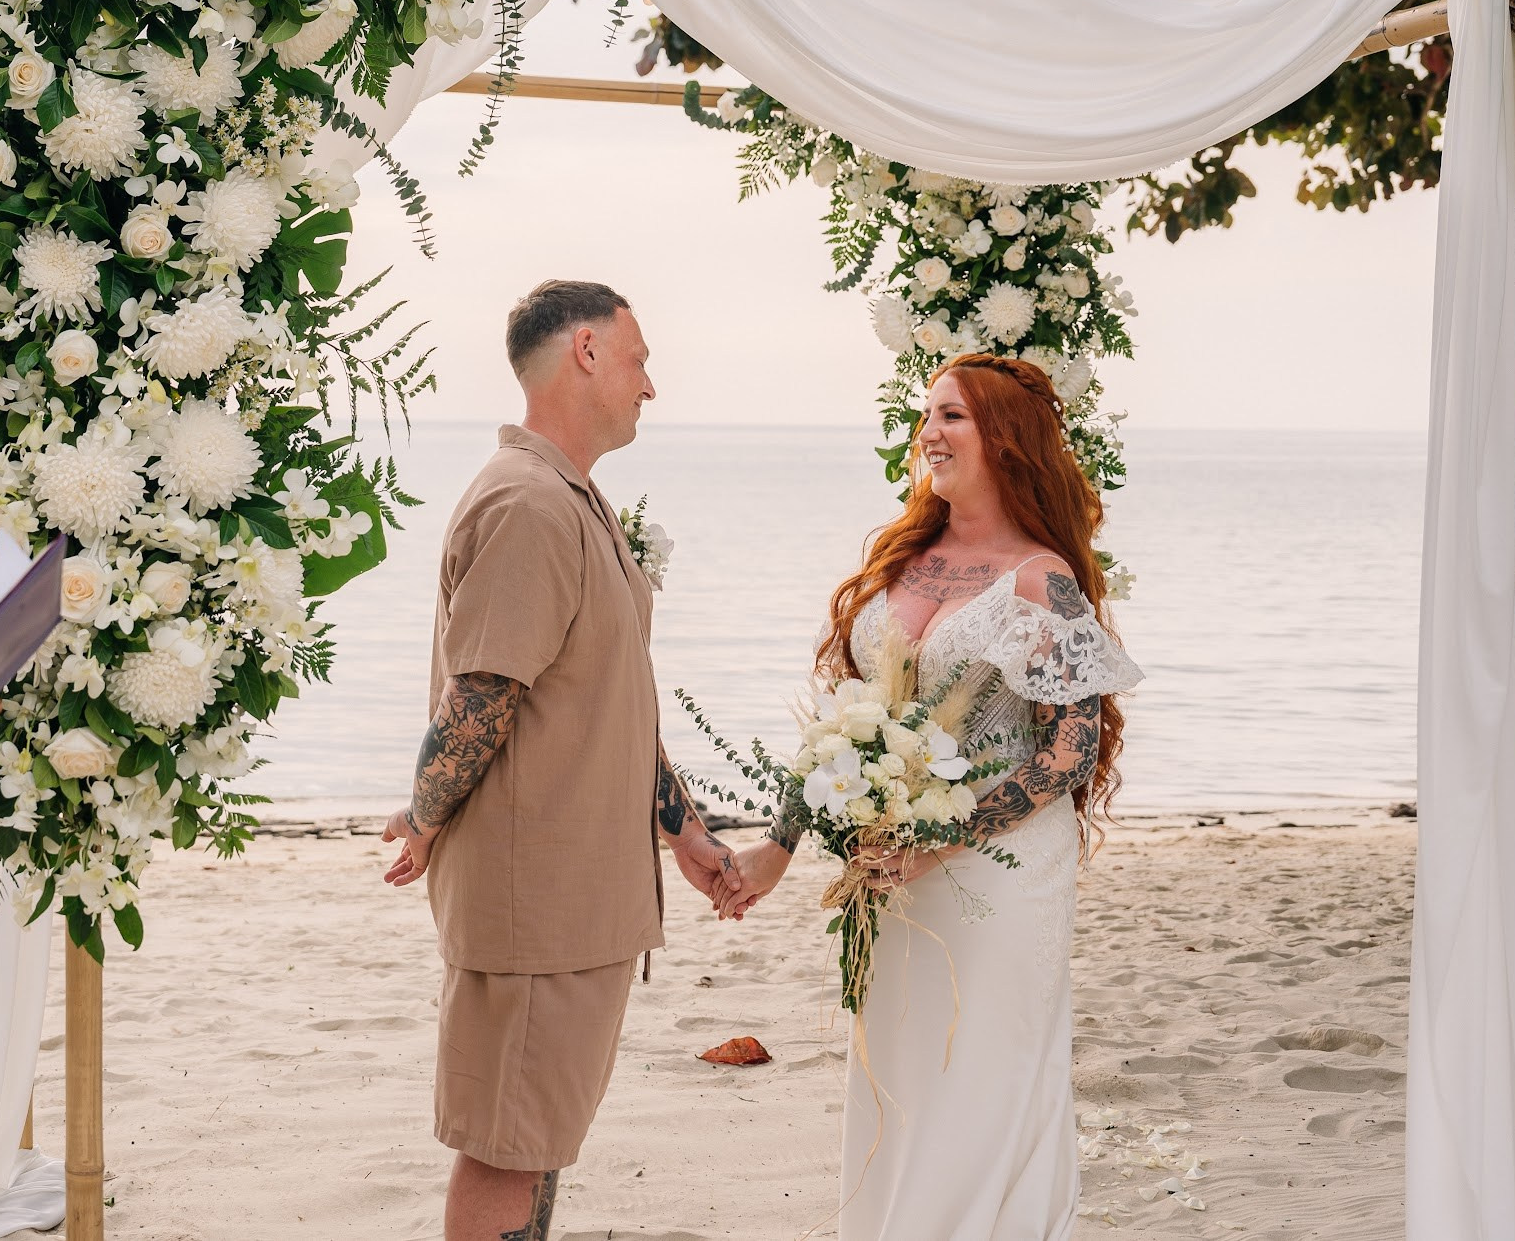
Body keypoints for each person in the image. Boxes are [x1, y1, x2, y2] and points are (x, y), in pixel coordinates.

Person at [722, 352, 1143, 1240]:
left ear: (1006, 438)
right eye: (928, 416)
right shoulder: (900, 559)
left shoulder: (1042, 578)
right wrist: (781, 842)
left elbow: (1067, 748)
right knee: (905, 1076)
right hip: (893, 871)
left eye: (952, 415)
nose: (930, 432)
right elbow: (848, 723)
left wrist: (944, 834)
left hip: (1000, 871)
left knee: (980, 1073)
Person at [379, 280, 741, 1241]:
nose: (649, 385)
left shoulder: (575, 499)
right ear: (585, 350)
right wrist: (422, 816)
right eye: (639, 358)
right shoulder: (529, 504)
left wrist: (685, 831)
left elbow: (603, 696)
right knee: (506, 1138)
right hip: (532, 900)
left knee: (536, 1134)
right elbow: (483, 695)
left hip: (580, 898)